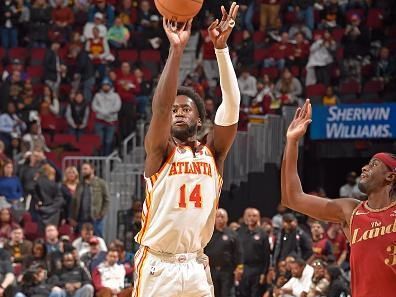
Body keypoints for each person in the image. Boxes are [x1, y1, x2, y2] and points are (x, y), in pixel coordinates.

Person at [133, 3, 241, 297]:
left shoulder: (213, 153)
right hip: (157, 265)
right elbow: (161, 107)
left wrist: (221, 50)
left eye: (186, 109)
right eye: (175, 110)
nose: (178, 112)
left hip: (195, 264)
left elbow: (232, 107)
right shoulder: (160, 151)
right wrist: (176, 51)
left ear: (200, 119)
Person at [281, 99, 396, 297]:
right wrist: (292, 142)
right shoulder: (351, 211)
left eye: (374, 164)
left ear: (390, 176)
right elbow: (293, 198)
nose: (364, 167)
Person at [205, 209, 243, 297]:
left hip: (227, 270)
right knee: (213, 293)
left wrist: (239, 268)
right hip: (211, 270)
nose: (220, 219)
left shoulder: (232, 234)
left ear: (227, 218)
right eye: (217, 217)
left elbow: (239, 252)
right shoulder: (208, 233)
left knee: (226, 294)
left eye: (222, 217)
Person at [70, 163, 110, 237]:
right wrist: (72, 217)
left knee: (97, 238)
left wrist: (102, 214)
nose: (83, 171)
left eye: (85, 169)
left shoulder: (100, 183)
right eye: (82, 169)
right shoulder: (79, 184)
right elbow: (74, 201)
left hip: (95, 218)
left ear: (92, 170)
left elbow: (106, 200)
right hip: (81, 218)